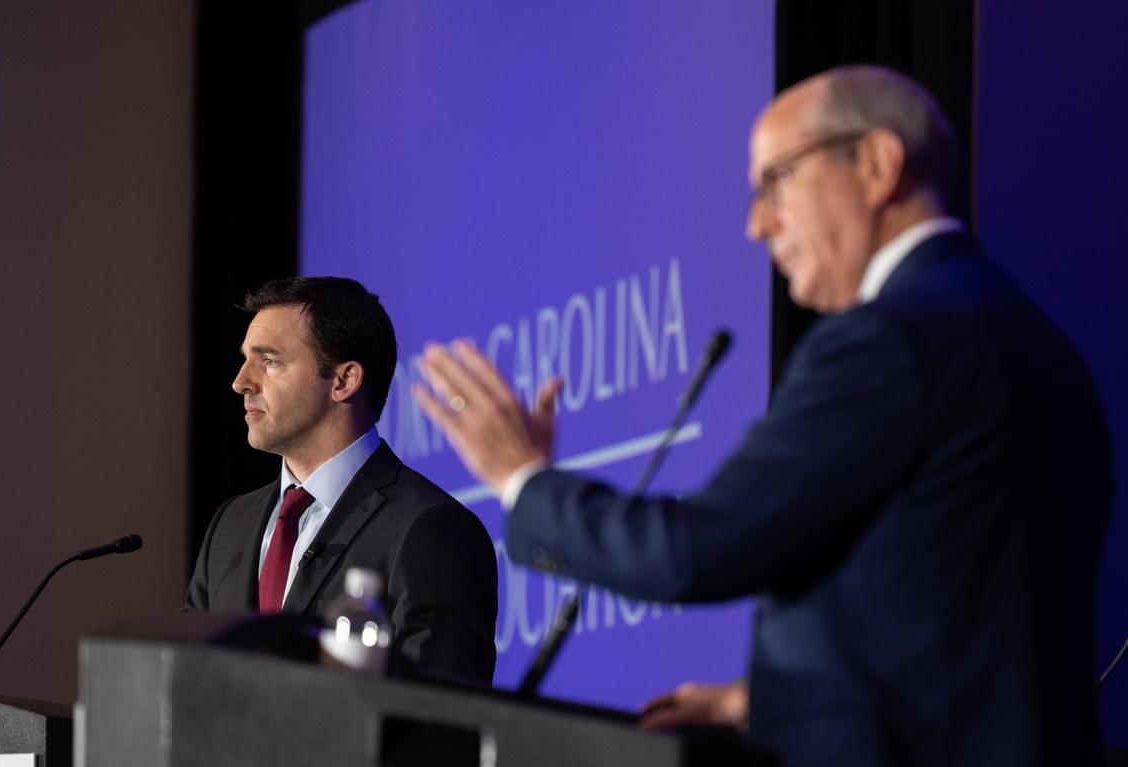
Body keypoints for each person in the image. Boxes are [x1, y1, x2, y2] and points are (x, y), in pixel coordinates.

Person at [413, 66, 1112, 765]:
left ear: (876, 164)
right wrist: (753, 700)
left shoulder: (892, 339)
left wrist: (523, 478)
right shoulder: (1035, 343)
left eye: (776, 180)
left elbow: (697, 551)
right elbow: (956, 623)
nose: (756, 224)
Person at [186, 276, 498, 682]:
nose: (241, 381)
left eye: (270, 361)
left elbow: (438, 716)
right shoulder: (232, 525)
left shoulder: (430, 529)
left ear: (343, 380)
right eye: (246, 359)